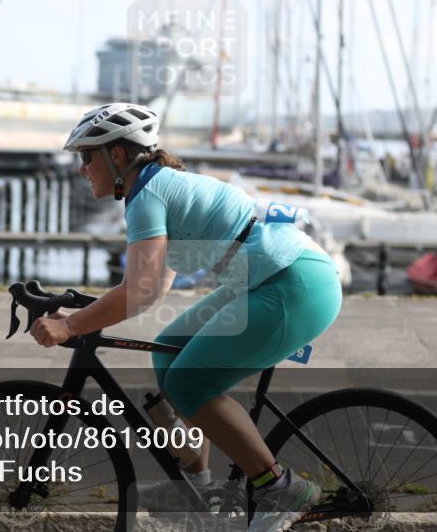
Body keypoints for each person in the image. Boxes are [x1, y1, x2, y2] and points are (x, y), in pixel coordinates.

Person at [30, 103, 343, 531]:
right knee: (167, 355)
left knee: (188, 381)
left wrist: (70, 326)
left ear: (116, 156)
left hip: (292, 284)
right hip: (272, 280)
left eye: (87, 157)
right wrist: (83, 313)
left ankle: (278, 485)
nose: (83, 169)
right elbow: (153, 287)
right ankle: (197, 485)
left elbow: (138, 292)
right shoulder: (157, 188)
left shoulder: (148, 196)